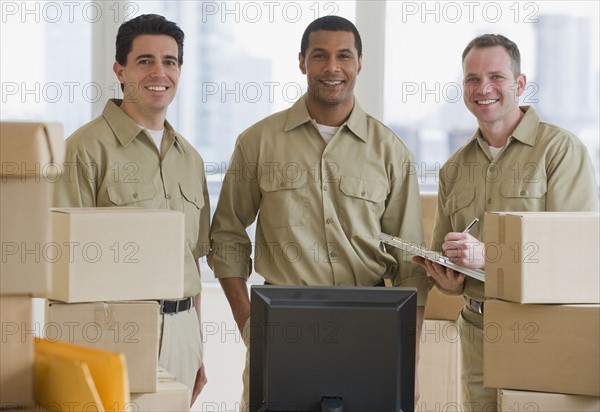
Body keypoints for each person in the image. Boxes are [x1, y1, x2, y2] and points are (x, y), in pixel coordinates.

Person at [208, 15, 429, 410]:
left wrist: (408, 362)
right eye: (319, 56)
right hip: (281, 326)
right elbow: (226, 234)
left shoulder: (391, 151)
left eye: (344, 56)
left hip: (371, 331)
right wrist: (249, 324)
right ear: (301, 62)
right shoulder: (257, 142)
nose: (332, 67)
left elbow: (411, 264)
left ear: (359, 63)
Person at [415, 34, 598, 412]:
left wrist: (492, 256)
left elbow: (579, 261)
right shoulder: (453, 168)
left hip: (541, 331)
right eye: (471, 79)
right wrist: (449, 279)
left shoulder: (560, 151)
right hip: (476, 330)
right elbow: (449, 262)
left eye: (496, 76)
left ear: (519, 83)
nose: (483, 88)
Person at [53, 14, 210, 405]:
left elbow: (192, 261)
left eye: (170, 61)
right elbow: (63, 269)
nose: (160, 72)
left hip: (183, 334)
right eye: (145, 61)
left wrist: (198, 344)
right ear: (119, 70)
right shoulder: (84, 150)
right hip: (113, 334)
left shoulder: (189, 158)